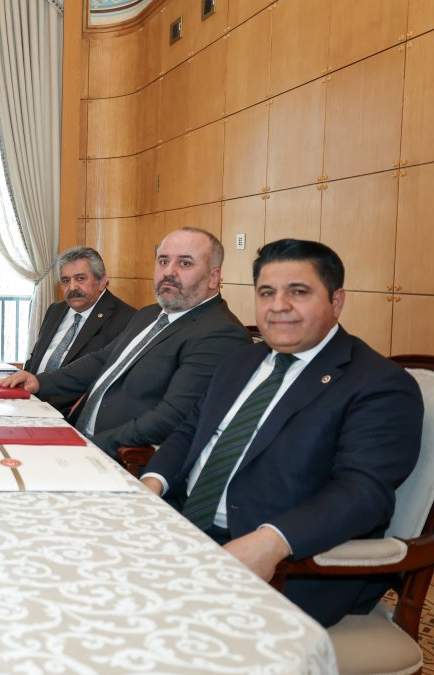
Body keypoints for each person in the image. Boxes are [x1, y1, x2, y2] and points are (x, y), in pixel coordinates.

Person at [141, 239, 423, 627]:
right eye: (267, 293)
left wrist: (271, 541)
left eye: (299, 292)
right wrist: (151, 484)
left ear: (336, 301)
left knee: (140, 620)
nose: (278, 306)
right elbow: (191, 430)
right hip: (183, 526)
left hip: (286, 565)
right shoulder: (241, 360)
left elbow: (363, 492)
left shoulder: (378, 384)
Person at [0, 227, 249, 456]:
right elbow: (101, 360)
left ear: (214, 278)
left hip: (120, 458)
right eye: (163, 261)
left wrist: (90, 445)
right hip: (79, 436)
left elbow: (170, 417)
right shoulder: (149, 314)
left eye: (184, 263)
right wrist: (39, 381)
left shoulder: (220, 333)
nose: (169, 272)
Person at [23, 246, 136, 412]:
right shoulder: (55, 310)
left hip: (69, 414)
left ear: (102, 281)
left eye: (80, 278)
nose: (72, 287)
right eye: (66, 280)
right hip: (29, 402)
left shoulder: (126, 319)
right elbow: (35, 359)